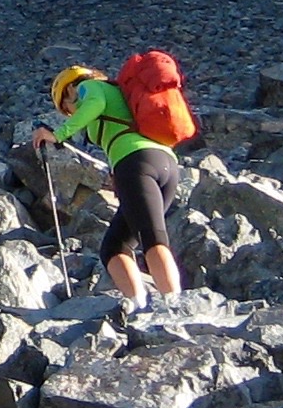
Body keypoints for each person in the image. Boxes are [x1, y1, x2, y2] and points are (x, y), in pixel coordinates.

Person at [34, 64, 185, 308]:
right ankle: (139, 307)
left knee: (151, 237)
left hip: (136, 162)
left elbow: (94, 106)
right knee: (114, 247)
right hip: (164, 165)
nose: (71, 112)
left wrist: (59, 134)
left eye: (66, 107)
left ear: (70, 88)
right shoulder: (118, 93)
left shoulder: (88, 87)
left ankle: (174, 307)